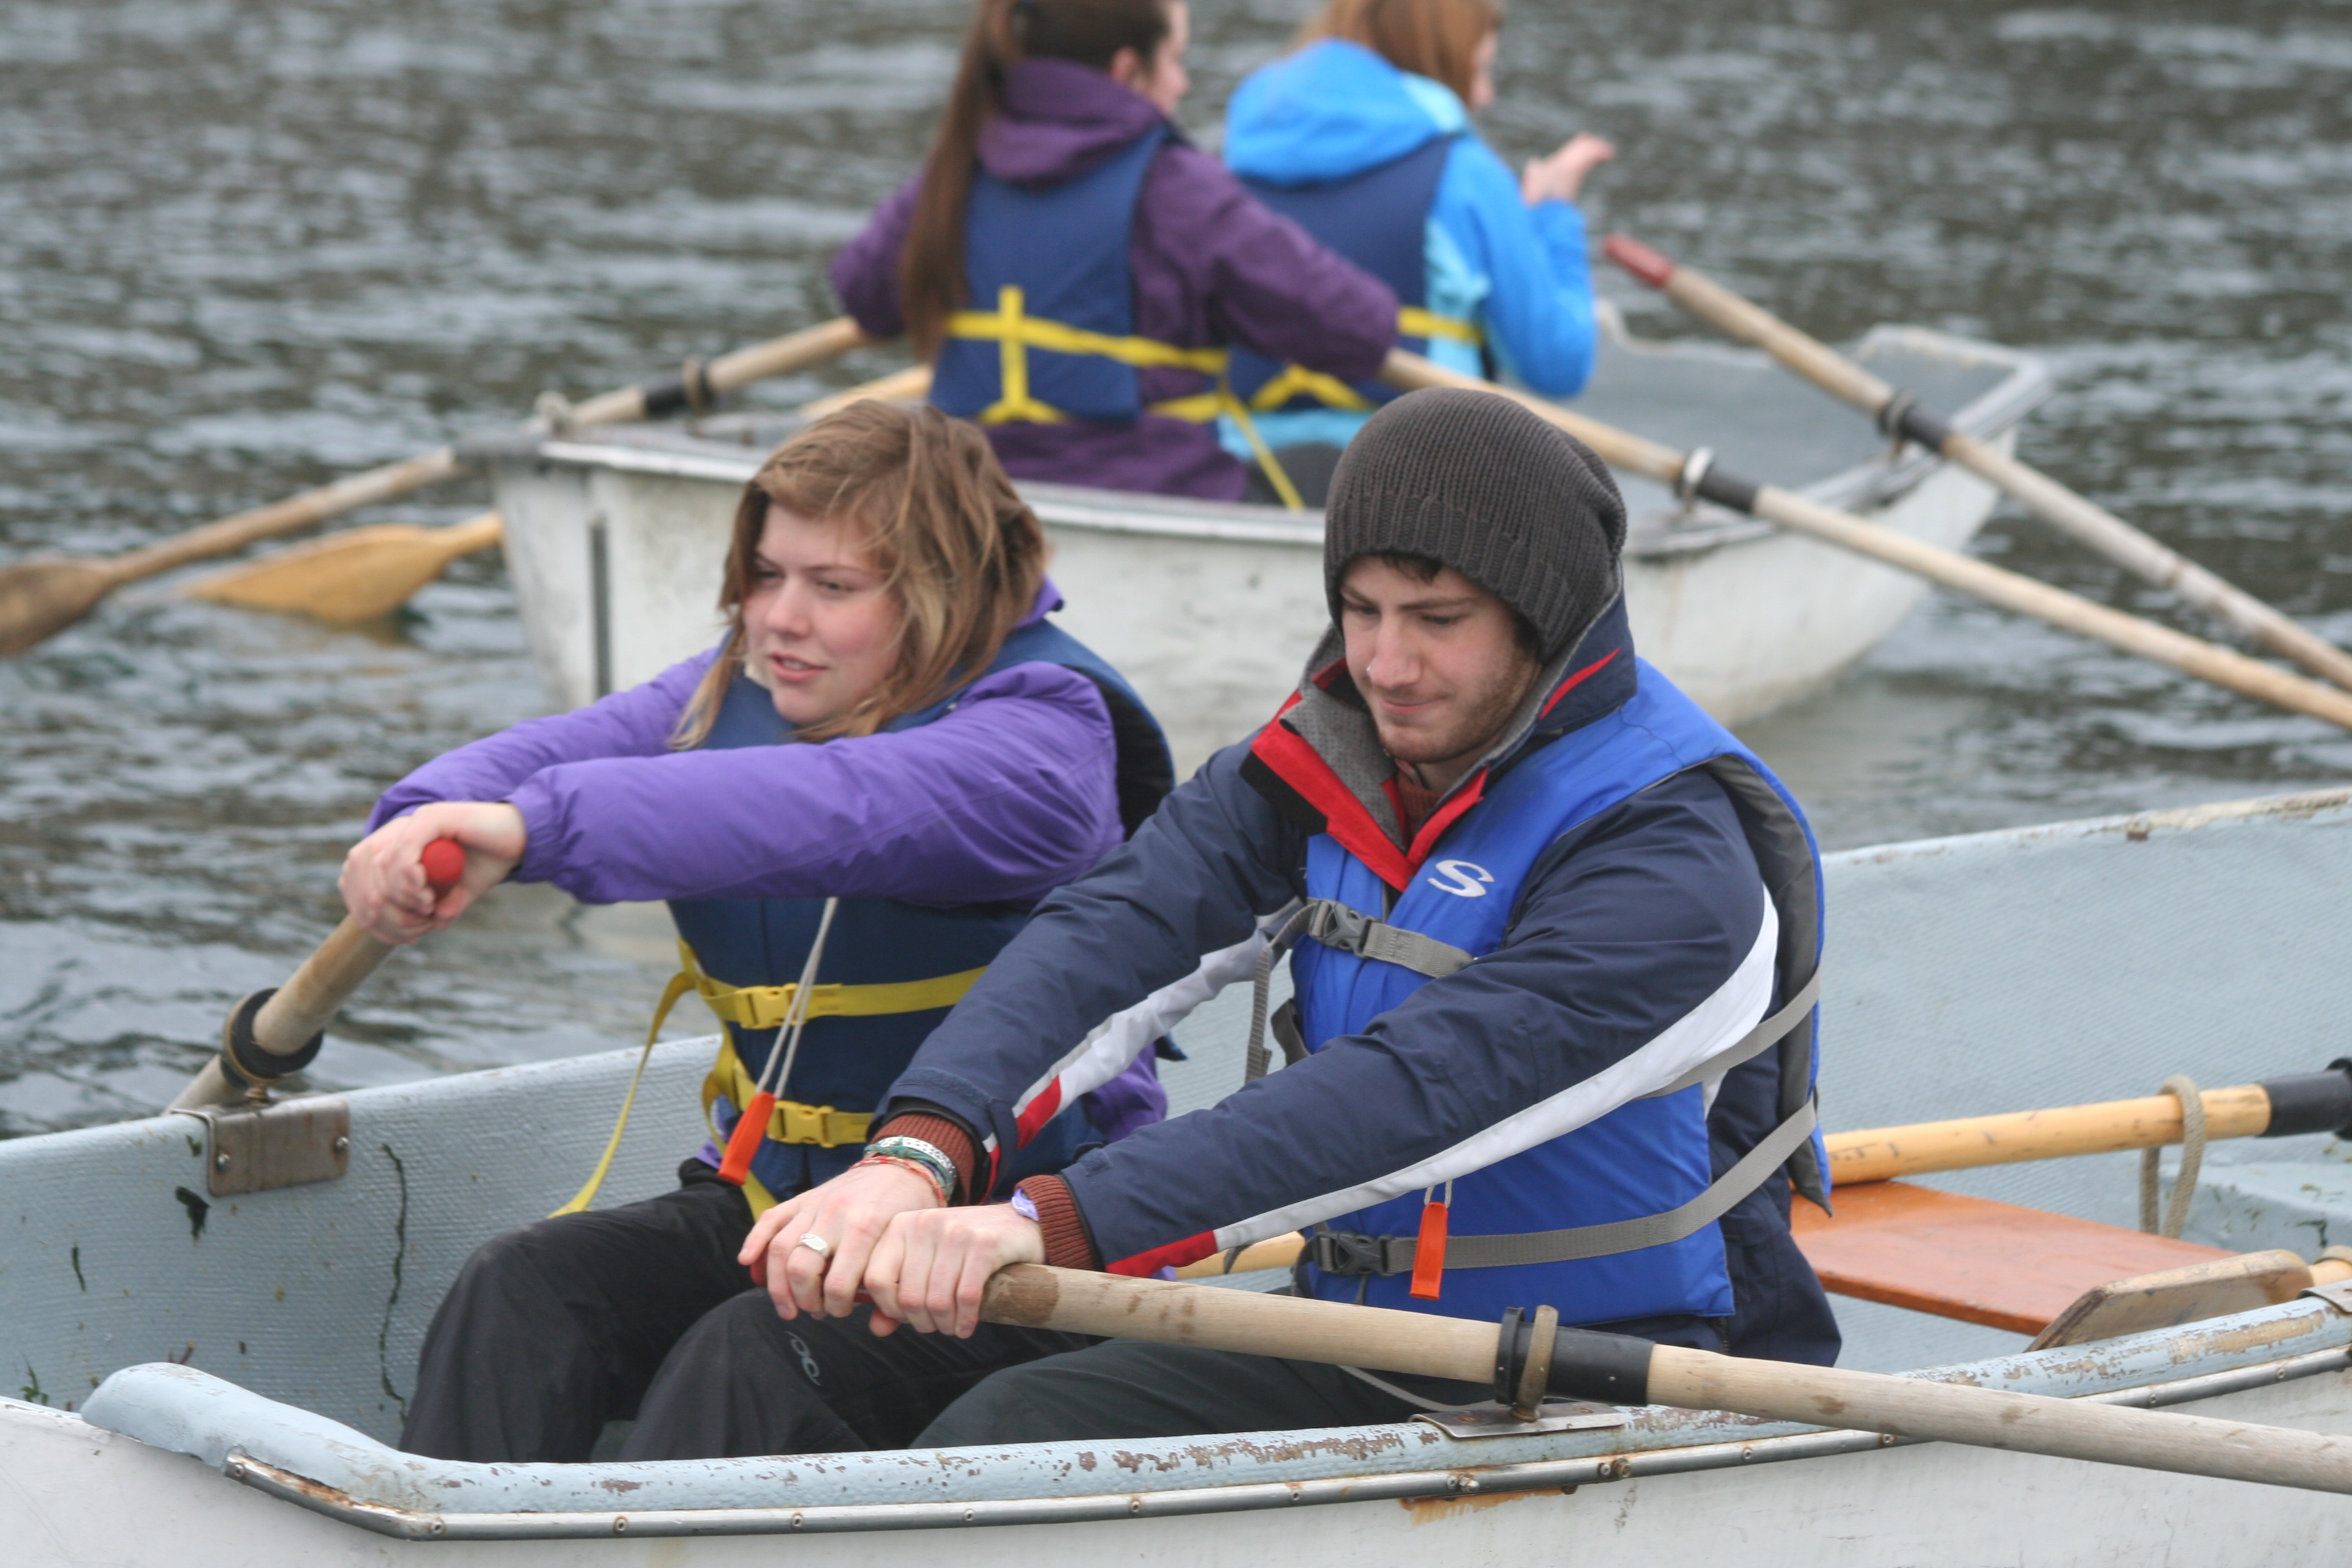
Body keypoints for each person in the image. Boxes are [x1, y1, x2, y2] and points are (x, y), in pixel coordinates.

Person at [738, 387, 1840, 1447]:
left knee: (1007, 1434)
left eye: (1438, 619)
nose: (1386, 665)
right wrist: (917, 1150)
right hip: (1357, 1329)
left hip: (1617, 1368)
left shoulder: (1675, 858)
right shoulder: (1331, 754)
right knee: (775, 1351)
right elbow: (1113, 932)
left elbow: (1422, 1090)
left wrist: (1050, 1219)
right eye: (1361, 610)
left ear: (1542, 620)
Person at [347, 402, 1177, 1461]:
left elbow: (829, 810)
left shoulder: (1044, 748)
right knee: (527, 1286)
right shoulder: (726, 693)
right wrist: (419, 822)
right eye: (766, 574)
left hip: (1010, 1243)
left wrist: (533, 829)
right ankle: (451, 1529)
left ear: (946, 593)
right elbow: (538, 758)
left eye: (834, 587)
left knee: (752, 1352)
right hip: (782, 1201)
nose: (779, 618)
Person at [830, 0, 1400, 510]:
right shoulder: (1180, 188)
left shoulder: (955, 170)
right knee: (1327, 469)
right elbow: (1356, 327)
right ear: (1127, 69)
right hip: (1154, 493)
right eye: (1174, 60)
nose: (1181, 83)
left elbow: (863, 295)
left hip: (976, 501)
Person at [1218, 0, 1615, 463]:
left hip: (1251, 469)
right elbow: (1558, 364)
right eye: (1479, 69)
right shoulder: (1464, 174)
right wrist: (1552, 216)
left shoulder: (1229, 166)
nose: (1485, 95)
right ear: (1436, 57)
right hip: (1417, 480)